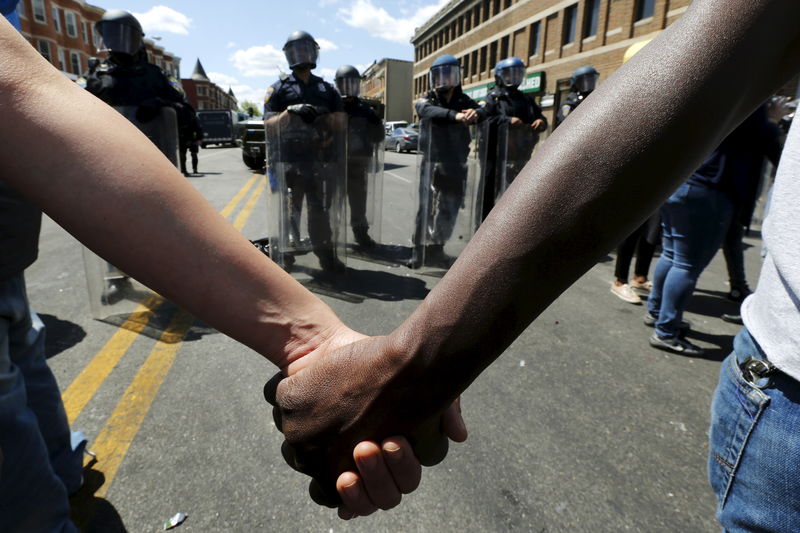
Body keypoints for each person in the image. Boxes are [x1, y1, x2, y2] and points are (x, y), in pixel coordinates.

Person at [265, 1, 800, 529]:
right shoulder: (401, 98)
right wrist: (410, 367)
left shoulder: (354, 97)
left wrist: (409, 367)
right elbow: (746, 37)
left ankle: (336, 251)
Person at [0, 14, 468, 529]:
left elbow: (36, 106)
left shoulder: (328, 88)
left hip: (10, 254)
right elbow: (39, 107)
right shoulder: (275, 88)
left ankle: (61, 471)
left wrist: (317, 341)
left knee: (23, 352)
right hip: (288, 171)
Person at [263, 30, 346, 272]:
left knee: (319, 211)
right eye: (297, 50)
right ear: (289, 55)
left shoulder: (326, 89)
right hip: (287, 161)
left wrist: (322, 113)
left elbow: (340, 123)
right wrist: (290, 112)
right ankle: (285, 258)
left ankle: (326, 256)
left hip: (318, 160)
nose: (302, 54)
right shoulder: (278, 89)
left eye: (306, 49)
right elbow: (268, 126)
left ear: (314, 51)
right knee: (288, 209)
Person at [409, 54, 487, 268]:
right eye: (438, 75)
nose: (442, 80)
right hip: (432, 161)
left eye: (448, 74)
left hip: (456, 163)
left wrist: (477, 112)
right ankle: (418, 251)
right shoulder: (429, 99)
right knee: (426, 208)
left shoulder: (464, 101)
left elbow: (485, 110)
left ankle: (436, 248)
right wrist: (455, 116)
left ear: (457, 76)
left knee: (449, 207)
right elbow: (423, 110)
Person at [481, 57, 548, 220]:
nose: (514, 78)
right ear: (499, 76)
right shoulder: (493, 98)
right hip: (495, 157)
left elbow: (542, 119)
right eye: (509, 74)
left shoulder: (526, 100)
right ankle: (482, 231)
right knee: (488, 197)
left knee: (517, 199)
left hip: (520, 157)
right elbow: (484, 119)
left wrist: (541, 122)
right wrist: (507, 121)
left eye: (517, 74)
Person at [334, 65, 384, 248]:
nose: (348, 88)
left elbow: (377, 138)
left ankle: (361, 235)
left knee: (358, 204)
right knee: (333, 204)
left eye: (352, 84)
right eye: (344, 84)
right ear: (338, 86)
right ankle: (332, 237)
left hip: (357, 164)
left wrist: (376, 122)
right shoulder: (331, 107)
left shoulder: (366, 110)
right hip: (334, 165)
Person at [178, 100, 203, 176]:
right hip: (191, 137)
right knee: (193, 154)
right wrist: (199, 139)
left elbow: (198, 128)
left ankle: (184, 170)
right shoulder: (192, 115)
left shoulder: (178, 112)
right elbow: (198, 128)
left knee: (183, 154)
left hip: (184, 137)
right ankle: (193, 169)